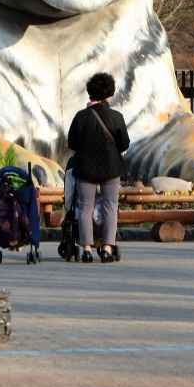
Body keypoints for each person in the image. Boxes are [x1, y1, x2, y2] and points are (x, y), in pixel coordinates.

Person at [65, 72, 129, 263]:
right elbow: (124, 144)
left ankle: (86, 248)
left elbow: (72, 143)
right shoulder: (116, 116)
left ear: (90, 93)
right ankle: (108, 247)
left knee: (85, 207)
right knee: (111, 206)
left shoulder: (81, 117)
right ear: (109, 93)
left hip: (85, 169)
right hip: (111, 169)